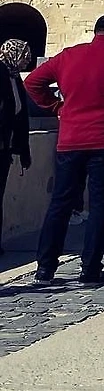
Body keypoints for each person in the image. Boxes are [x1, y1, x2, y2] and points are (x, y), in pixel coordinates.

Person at [25, 13, 104, 286]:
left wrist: (56, 106)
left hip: (71, 140)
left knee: (60, 203)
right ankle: (90, 270)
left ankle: (45, 269)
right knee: (101, 206)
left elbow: (32, 83)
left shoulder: (68, 56)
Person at [0, 39, 34, 251]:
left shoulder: (13, 76)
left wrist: (23, 150)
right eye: (25, 56)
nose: (27, 61)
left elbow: (20, 115)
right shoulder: (1, 73)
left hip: (5, 147)